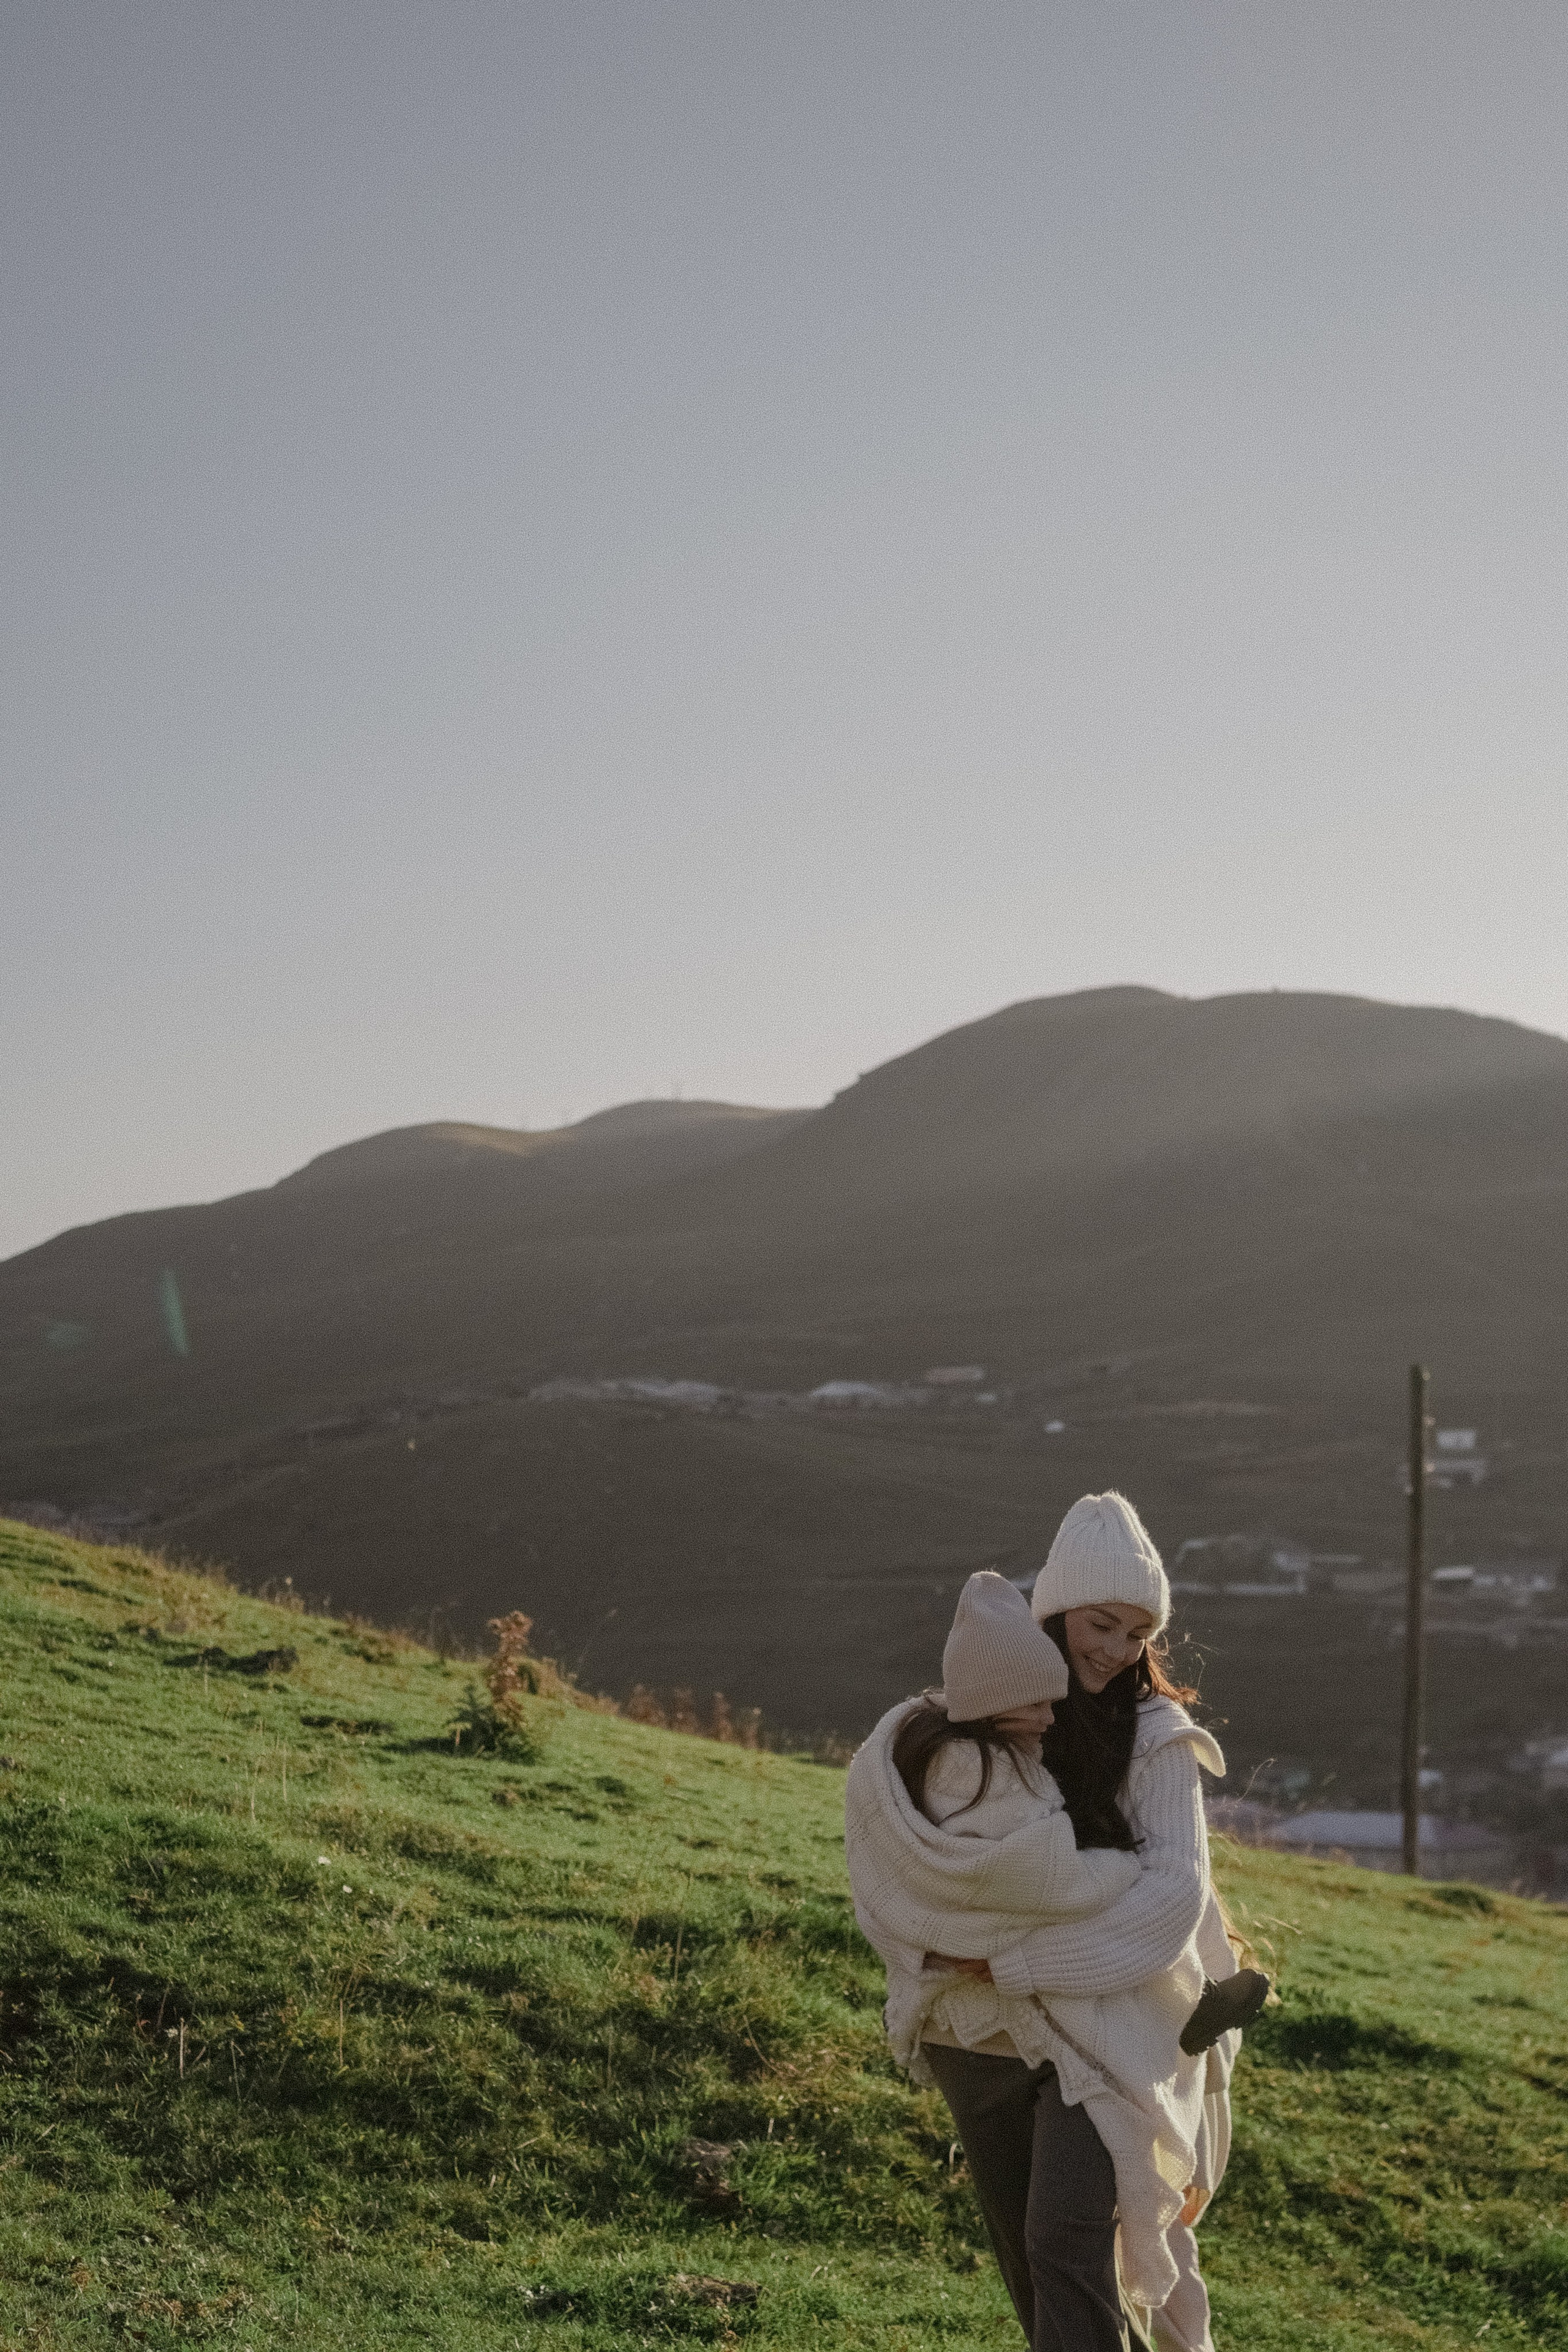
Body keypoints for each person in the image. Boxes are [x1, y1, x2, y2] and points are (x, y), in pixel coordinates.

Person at [846, 1495, 1261, 2352]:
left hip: (1107, 2031)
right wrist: (944, 1947)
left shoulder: (1157, 1739)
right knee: (1035, 2275)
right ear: (1055, 1611)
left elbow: (1173, 1897)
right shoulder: (974, 1719)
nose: (1116, 1650)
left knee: (1065, 2242)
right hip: (977, 2036)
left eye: (1137, 1633)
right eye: (1101, 1624)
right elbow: (899, 1860)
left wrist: (1017, 1964)